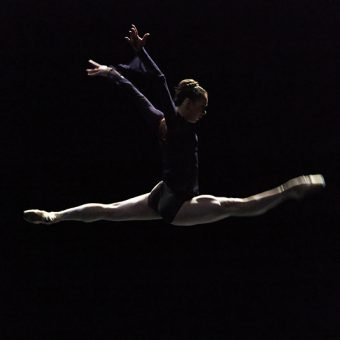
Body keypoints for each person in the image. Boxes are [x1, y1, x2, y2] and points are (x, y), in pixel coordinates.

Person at [23, 25, 325, 227]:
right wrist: (141, 52)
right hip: (179, 203)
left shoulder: (160, 118)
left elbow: (134, 91)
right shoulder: (177, 121)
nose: (203, 114)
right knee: (237, 206)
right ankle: (290, 189)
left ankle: (54, 216)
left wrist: (110, 73)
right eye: (202, 108)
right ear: (189, 104)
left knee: (108, 211)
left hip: (162, 193)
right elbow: (158, 80)